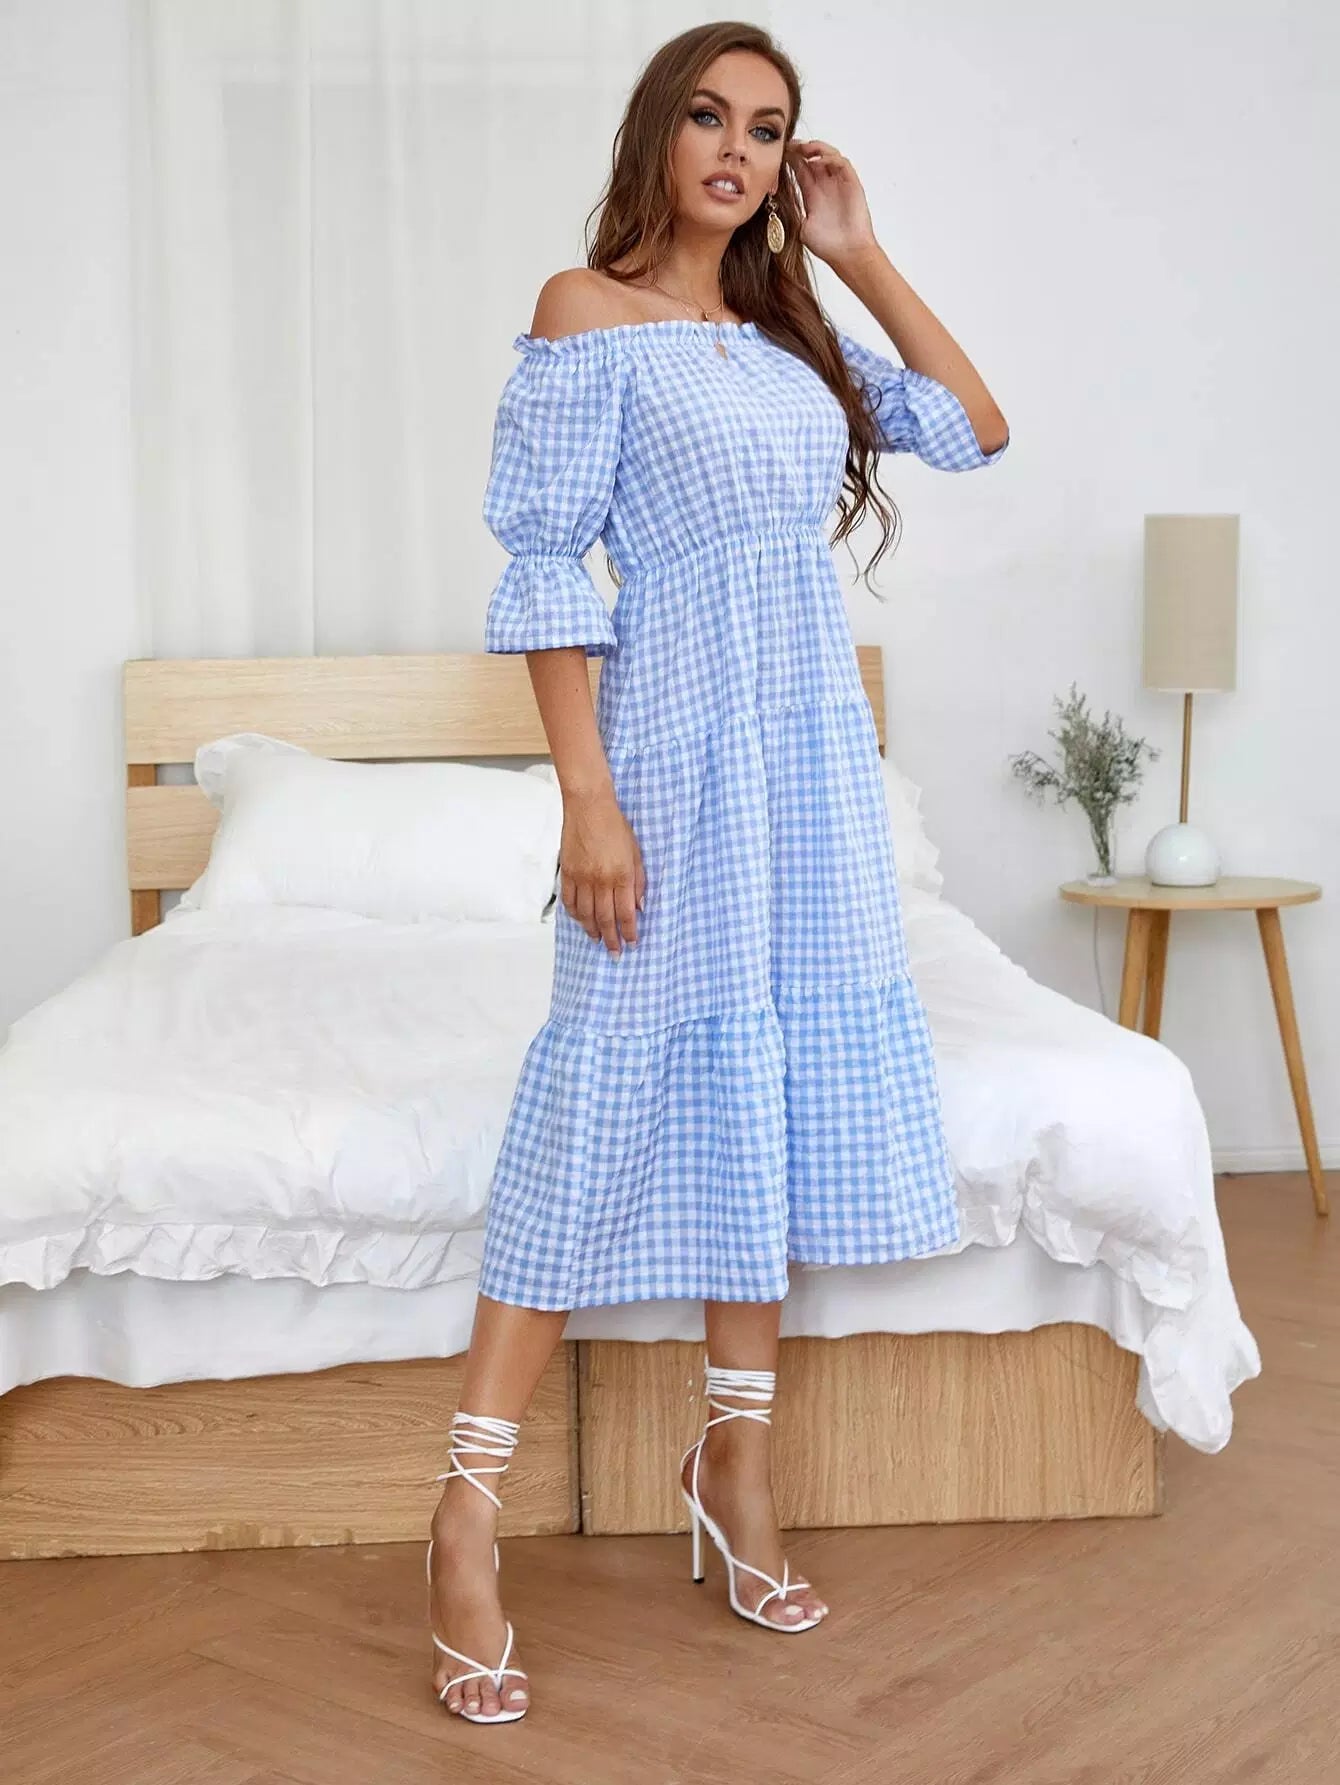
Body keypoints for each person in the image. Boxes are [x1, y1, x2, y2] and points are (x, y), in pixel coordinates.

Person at [427, 21, 1010, 1724]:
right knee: (598, 1093)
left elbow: (975, 428)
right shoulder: (583, 314)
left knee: (760, 1087)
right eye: (710, 116)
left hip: (807, 774)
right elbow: (550, 574)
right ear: (656, 134)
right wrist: (585, 802)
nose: (740, 151)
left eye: (768, 128)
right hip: (669, 759)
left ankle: (733, 1467)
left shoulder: (786, 335)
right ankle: (464, 1512)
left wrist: (860, 249)